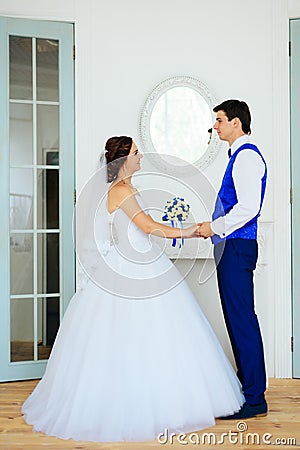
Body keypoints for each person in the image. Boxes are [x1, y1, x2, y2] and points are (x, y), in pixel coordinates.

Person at [22, 136, 243, 442]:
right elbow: (149, 227)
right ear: (124, 159)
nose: (141, 158)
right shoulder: (122, 190)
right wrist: (191, 230)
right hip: (134, 268)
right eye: (137, 153)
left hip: (144, 263)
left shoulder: (123, 189)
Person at [199, 100, 268, 419]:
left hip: (238, 247)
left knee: (242, 319)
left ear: (237, 123)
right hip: (232, 246)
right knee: (236, 318)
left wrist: (213, 227)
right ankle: (247, 390)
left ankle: (254, 398)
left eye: (220, 120)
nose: (216, 126)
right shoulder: (239, 156)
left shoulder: (247, 157)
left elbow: (248, 207)